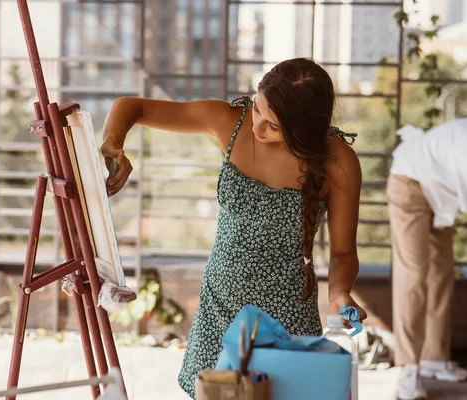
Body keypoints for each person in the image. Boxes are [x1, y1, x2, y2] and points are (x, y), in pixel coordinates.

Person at [101, 58, 368, 398]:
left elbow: (344, 252)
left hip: (286, 318)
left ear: (305, 131)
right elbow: (130, 107)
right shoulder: (230, 121)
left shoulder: (339, 162)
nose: (257, 128)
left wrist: (340, 293)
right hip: (219, 306)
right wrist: (113, 144)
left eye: (273, 126)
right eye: (258, 110)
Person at [387, 118, 467, 400]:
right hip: (410, 183)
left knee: (441, 276)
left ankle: (434, 358)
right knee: (414, 276)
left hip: (439, 196)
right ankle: (407, 369)